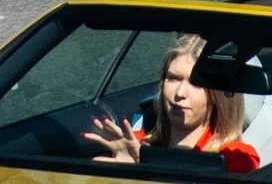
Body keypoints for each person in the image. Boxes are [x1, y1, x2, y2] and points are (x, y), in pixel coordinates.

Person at [84, 34, 262, 172]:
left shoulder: (238, 157)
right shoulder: (136, 144)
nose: (180, 93)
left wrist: (146, 166)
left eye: (196, 83)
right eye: (173, 79)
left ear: (219, 96)